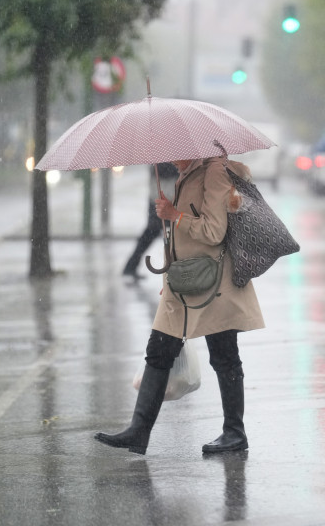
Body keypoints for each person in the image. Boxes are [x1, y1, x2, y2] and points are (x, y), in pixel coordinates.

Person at [95, 155, 264, 455]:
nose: (170, 160)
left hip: (214, 283)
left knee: (224, 355)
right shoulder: (188, 173)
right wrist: (169, 277)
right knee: (159, 351)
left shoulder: (213, 172)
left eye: (175, 155)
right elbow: (179, 238)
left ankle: (234, 432)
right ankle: (139, 431)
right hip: (186, 281)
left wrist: (175, 215)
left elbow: (214, 231)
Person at [122, 162, 180, 279]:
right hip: (162, 201)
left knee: (152, 234)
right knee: (156, 233)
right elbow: (167, 172)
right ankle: (131, 266)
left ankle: (131, 266)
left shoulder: (157, 160)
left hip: (159, 200)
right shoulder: (164, 161)